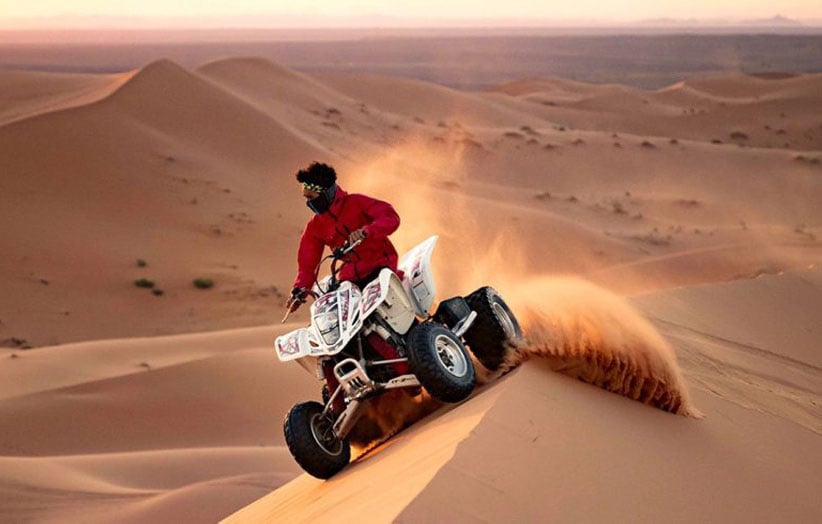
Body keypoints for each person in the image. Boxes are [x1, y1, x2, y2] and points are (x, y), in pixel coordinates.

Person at [285, 161, 401, 313]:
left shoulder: (356, 202)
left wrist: (368, 231)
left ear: (326, 193)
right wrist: (299, 290)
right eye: (306, 198)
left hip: (381, 266)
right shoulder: (314, 227)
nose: (309, 203)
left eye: (311, 197)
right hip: (350, 277)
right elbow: (307, 265)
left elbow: (390, 217)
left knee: (386, 311)